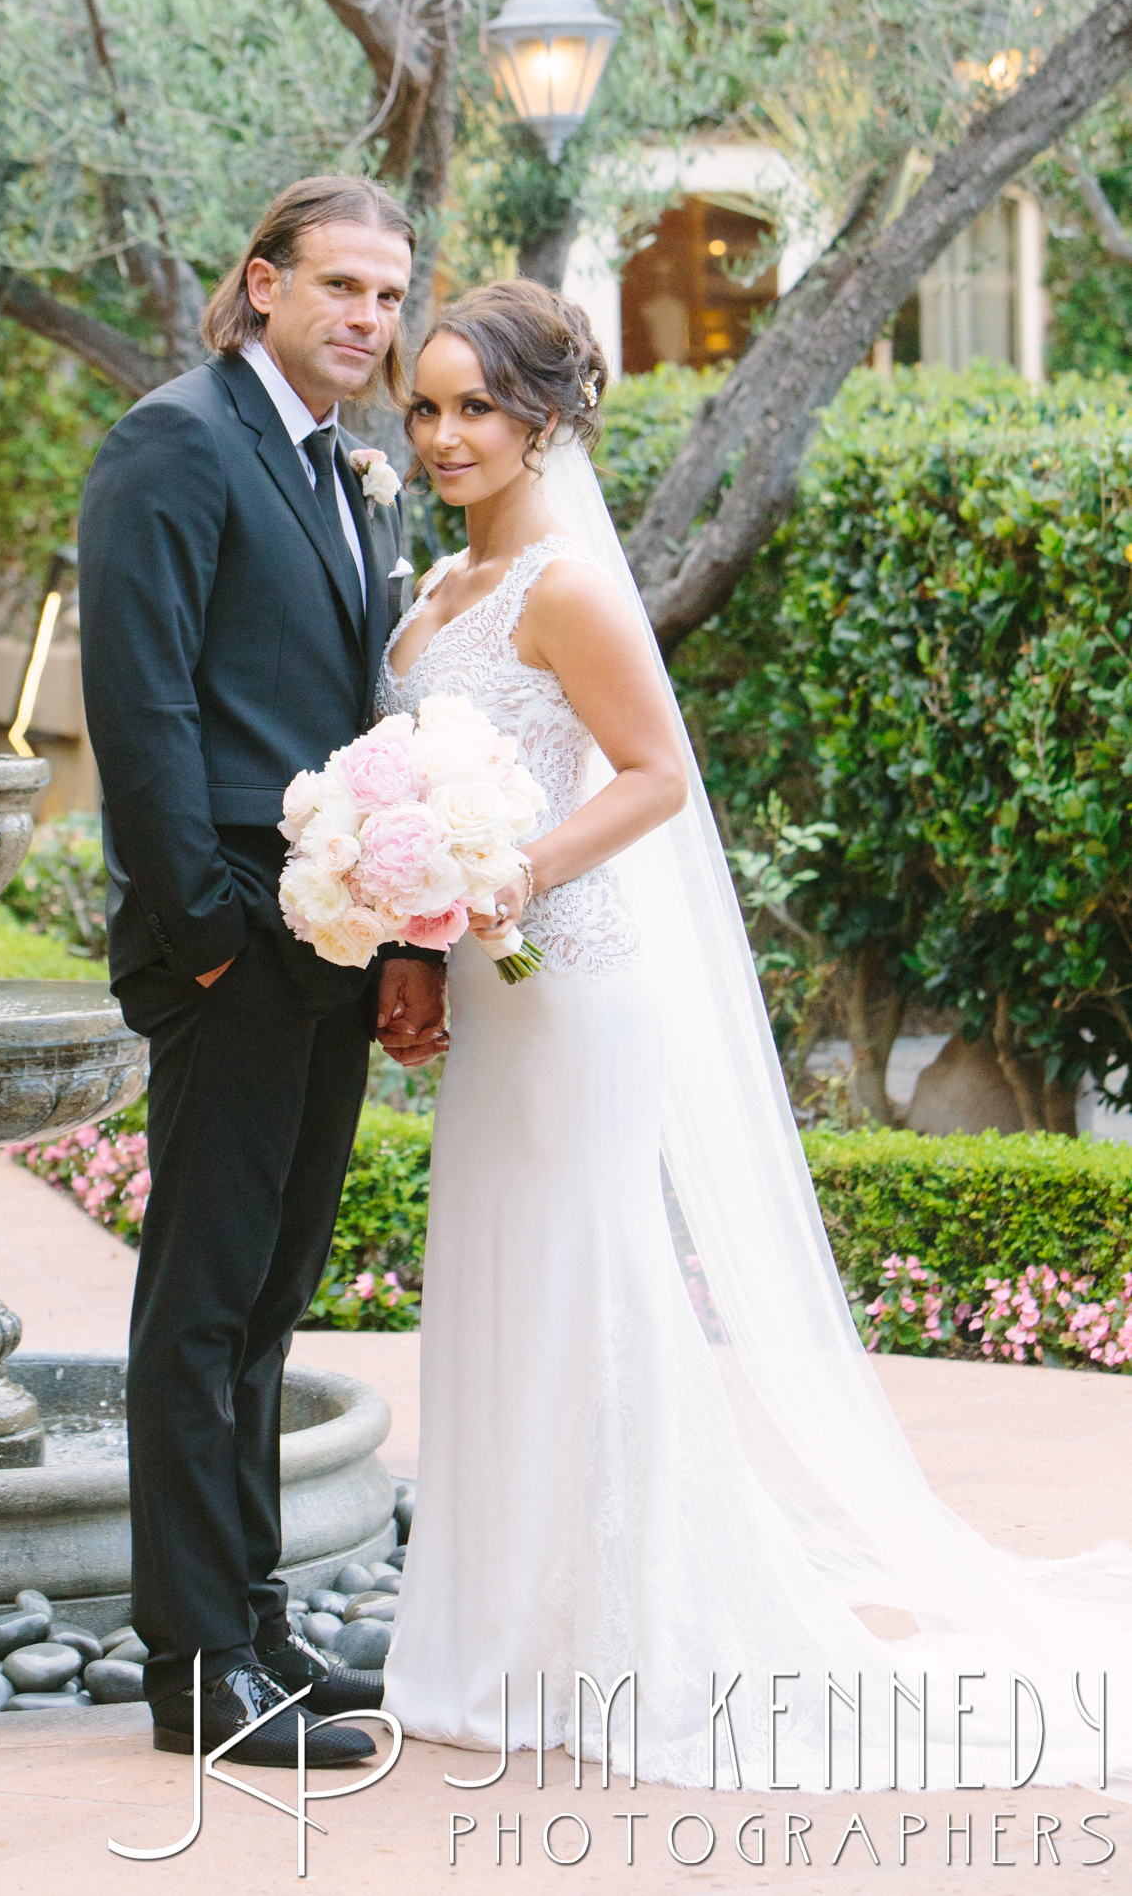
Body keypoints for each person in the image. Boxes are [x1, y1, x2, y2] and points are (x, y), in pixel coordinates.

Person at [379, 278, 1132, 1789]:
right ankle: (495, 1641)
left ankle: (624, 1631)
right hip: (482, 990)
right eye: (427, 408)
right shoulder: (433, 597)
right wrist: (408, 931)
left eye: (476, 407)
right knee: (493, 1285)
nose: (447, 435)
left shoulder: (564, 589)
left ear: (546, 418)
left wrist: (509, 872)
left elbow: (655, 775)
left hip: (574, 982)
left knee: (590, 1284)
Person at [77, 176, 447, 1771]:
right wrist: (218, 938)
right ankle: (198, 1674)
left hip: (332, 945)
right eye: (343, 289)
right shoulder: (176, 441)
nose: (369, 319)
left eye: (389, 294)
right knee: (203, 1309)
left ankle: (259, 1622)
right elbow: (142, 708)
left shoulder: (341, 474)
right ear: (263, 284)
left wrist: (385, 930)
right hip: (233, 944)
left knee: (271, 1304)